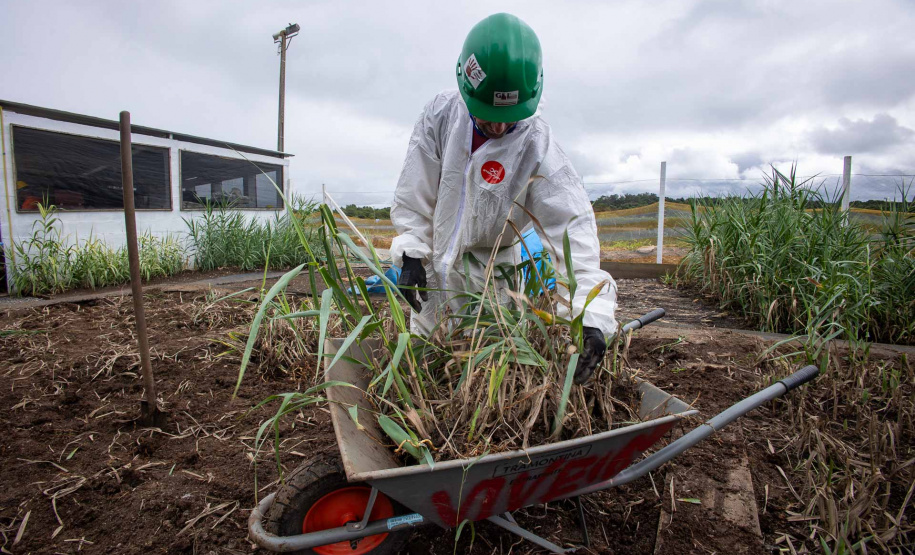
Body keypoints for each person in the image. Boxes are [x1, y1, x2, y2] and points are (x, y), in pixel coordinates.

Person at [390, 13, 618, 384]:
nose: (497, 127)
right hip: (432, 271)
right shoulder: (440, 117)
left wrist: (589, 316)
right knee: (427, 366)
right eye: (487, 116)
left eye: (507, 119)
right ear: (467, 88)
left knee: (486, 371)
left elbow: (572, 232)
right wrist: (412, 252)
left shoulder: (536, 146)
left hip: (492, 279)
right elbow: (414, 190)